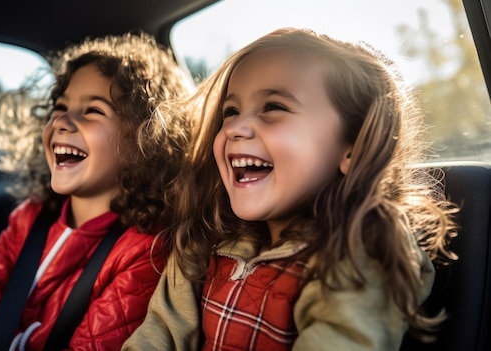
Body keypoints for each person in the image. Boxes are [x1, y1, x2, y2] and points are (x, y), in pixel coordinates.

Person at [123, 27, 458, 350]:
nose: (237, 127)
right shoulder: (204, 242)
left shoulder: (362, 247)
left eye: (274, 107)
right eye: (231, 111)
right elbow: (158, 335)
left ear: (352, 147)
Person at [0, 32, 191, 351]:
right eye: (60, 106)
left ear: (144, 141)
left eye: (93, 111)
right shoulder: (30, 218)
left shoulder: (142, 251)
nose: (62, 121)